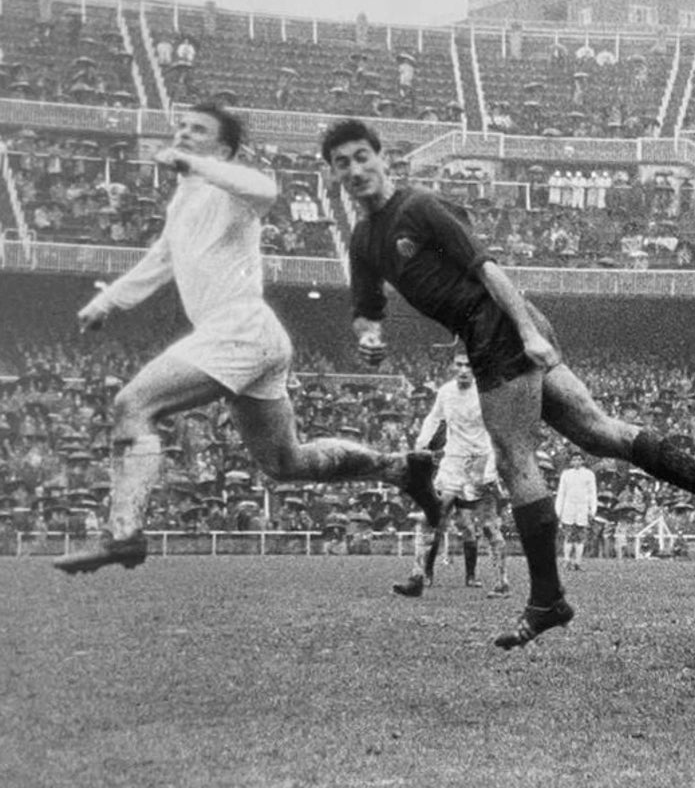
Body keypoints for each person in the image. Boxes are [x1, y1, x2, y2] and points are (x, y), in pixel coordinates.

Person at [321, 118, 695, 649]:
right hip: (495, 329)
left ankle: (547, 598)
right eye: (342, 163)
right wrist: (367, 336)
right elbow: (366, 310)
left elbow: (488, 269)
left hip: (498, 322)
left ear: (381, 157)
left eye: (361, 156)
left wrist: (528, 332)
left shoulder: (418, 207)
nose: (354, 169)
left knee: (513, 459)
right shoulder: (365, 238)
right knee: (599, 433)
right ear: (334, 173)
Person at [52, 103, 439, 575]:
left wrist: (193, 163)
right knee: (285, 462)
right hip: (252, 338)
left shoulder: (230, 187)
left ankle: (124, 535)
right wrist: (108, 302)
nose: (185, 134)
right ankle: (398, 467)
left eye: (199, 130)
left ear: (225, 149)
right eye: (182, 128)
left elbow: (266, 189)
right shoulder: (183, 200)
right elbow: (161, 258)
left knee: (132, 405)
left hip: (238, 329)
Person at [393, 352, 510, 598]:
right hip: (453, 461)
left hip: (480, 461)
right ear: (452, 366)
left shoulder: (487, 394)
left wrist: (491, 468)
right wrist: (422, 442)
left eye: (469, 365)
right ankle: (417, 577)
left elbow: (498, 431)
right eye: (459, 364)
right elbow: (435, 417)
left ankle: (501, 582)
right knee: (429, 518)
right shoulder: (446, 392)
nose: (464, 369)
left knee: (488, 525)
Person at [555, 452, 597, 571]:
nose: (577, 462)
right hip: (569, 508)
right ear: (571, 462)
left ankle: (578, 561)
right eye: (574, 460)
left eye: (579, 459)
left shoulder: (589, 474)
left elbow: (592, 493)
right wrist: (558, 511)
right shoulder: (566, 474)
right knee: (568, 536)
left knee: (580, 537)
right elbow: (561, 493)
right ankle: (567, 560)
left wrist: (592, 509)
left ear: (583, 461)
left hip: (582, 508)